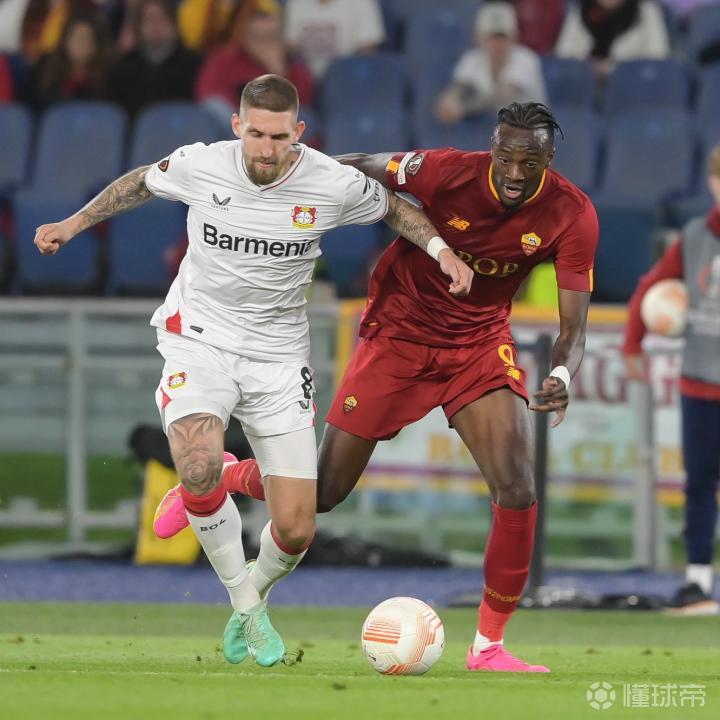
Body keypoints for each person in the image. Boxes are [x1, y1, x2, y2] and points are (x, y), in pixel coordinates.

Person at [33, 74, 472, 667]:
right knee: (196, 464)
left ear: (299, 132)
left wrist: (442, 251)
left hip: (279, 357)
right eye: (256, 134)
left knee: (296, 529)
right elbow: (139, 182)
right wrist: (72, 224)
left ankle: (246, 582)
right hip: (200, 339)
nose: (266, 149)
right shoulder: (202, 164)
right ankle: (245, 602)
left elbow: (394, 208)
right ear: (238, 126)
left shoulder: (330, 181)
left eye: (279, 137)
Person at [154, 101, 599, 672]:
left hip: (478, 344)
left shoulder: (572, 213)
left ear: (549, 159)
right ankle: (231, 475)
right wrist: (288, 180)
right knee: (323, 493)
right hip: (397, 337)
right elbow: (357, 165)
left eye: (529, 163)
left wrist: (560, 375)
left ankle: (488, 646)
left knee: (516, 488)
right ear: (492, 150)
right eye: (506, 159)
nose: (515, 173)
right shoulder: (444, 171)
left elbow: (574, 329)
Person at [623, 145, 720, 616]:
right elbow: (651, 284)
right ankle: (698, 580)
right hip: (699, 382)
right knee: (699, 482)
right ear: (712, 183)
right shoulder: (696, 236)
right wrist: (632, 342)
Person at [435, 2, 547, 126]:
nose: (497, 44)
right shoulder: (472, 59)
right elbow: (459, 88)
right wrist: (450, 101)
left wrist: (464, 109)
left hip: (531, 129)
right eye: (492, 37)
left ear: (514, 37)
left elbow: (503, 95)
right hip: (493, 129)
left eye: (503, 37)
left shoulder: (526, 59)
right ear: (479, 38)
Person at [110, 0, 201, 117]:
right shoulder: (123, 66)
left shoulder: (193, 65)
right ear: (139, 27)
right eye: (149, 19)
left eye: (161, 19)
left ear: (174, 24)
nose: (155, 25)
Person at [555, 0, 670, 81]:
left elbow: (658, 60)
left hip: (633, 90)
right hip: (584, 88)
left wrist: (611, 68)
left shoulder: (648, 11)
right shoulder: (580, 10)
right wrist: (588, 68)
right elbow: (563, 56)